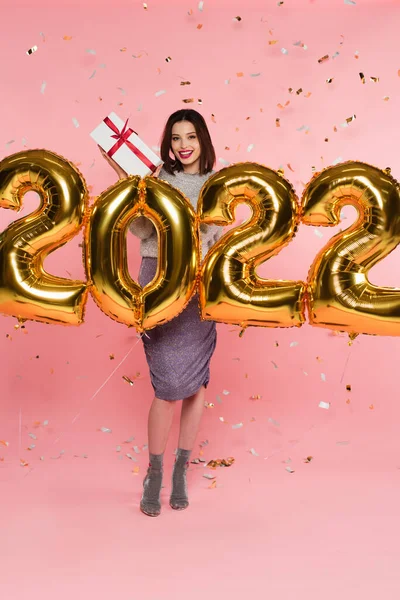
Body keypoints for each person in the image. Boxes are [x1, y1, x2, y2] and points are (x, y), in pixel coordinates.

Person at [99, 109, 221, 517]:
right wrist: (133, 189)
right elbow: (144, 231)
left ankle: (181, 469)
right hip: (159, 281)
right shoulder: (160, 179)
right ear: (167, 144)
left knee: (196, 384)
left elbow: (220, 241)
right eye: (175, 138)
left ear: (203, 139)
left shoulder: (219, 184)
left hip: (201, 284)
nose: (183, 145)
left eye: (190, 136)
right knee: (167, 385)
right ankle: (155, 471)